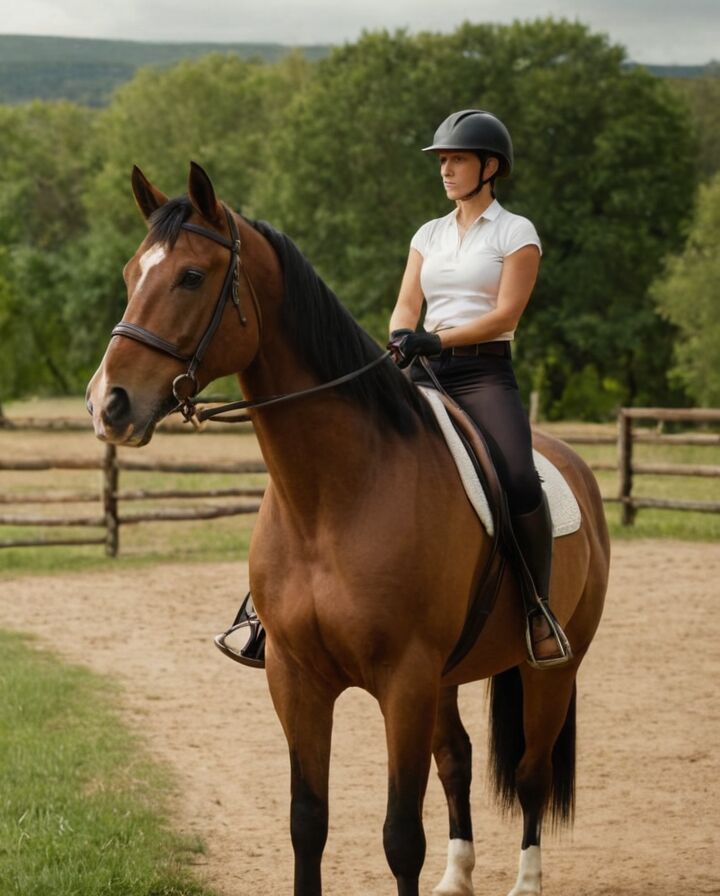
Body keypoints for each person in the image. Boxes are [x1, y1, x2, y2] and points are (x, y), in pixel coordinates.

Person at [214, 109, 571, 670]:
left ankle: (536, 607)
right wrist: (404, 334)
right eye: (442, 160)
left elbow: (506, 315)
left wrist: (439, 337)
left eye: (457, 160)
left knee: (520, 478)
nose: (445, 169)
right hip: (421, 366)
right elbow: (407, 302)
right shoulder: (428, 234)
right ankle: (265, 609)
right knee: (326, 454)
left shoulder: (515, 232)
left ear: (490, 167)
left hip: (482, 374)